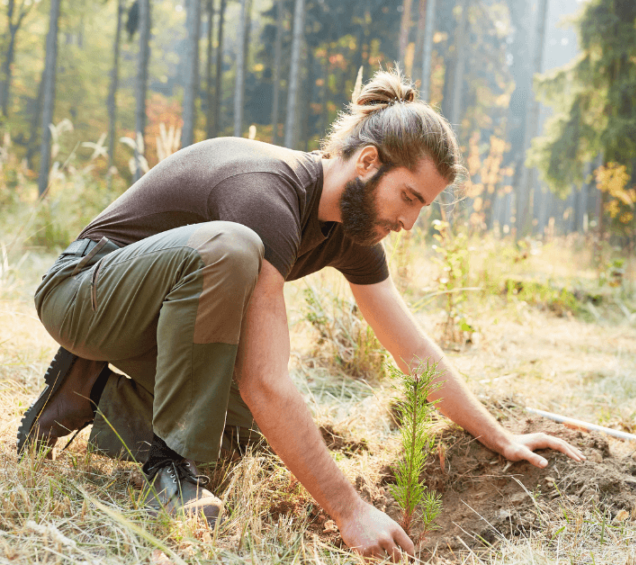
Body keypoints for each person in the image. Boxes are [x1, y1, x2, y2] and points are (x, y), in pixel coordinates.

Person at [18, 70, 583, 559]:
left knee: (249, 442)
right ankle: (173, 469)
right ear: (368, 163)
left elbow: (411, 349)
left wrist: (499, 435)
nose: (410, 223)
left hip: (155, 323)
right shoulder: (267, 195)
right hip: (83, 295)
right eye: (409, 198)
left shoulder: (352, 233)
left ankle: (90, 392)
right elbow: (266, 379)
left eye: (422, 208)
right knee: (231, 249)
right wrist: (349, 510)